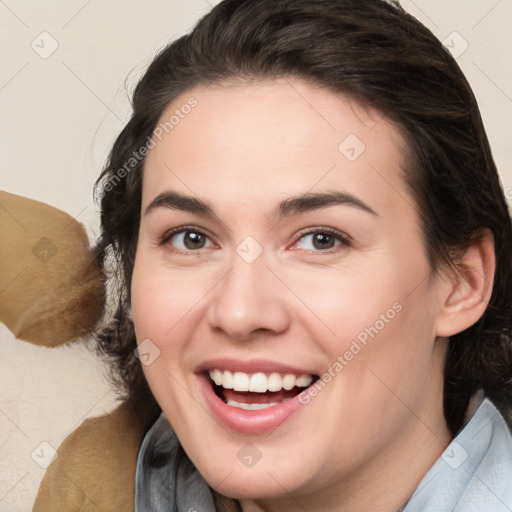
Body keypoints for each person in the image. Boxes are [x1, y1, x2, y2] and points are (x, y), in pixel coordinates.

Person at [93, 0, 512, 510]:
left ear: (462, 282)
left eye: (321, 239)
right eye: (191, 238)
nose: (240, 313)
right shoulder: (92, 485)